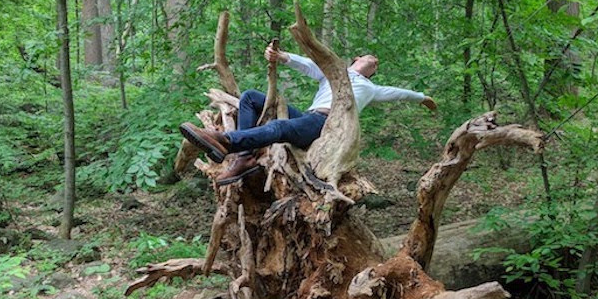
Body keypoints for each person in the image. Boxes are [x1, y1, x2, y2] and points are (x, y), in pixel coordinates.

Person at [180, 43, 437, 186]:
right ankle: (244, 157)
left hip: (325, 126)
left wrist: (424, 98)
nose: (376, 60)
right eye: (371, 57)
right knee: (249, 97)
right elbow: (309, 64)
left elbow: (400, 93)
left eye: (377, 64)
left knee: (279, 129)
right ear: (356, 59)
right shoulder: (334, 71)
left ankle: (227, 140)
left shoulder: (371, 88)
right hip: (310, 117)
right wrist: (282, 56)